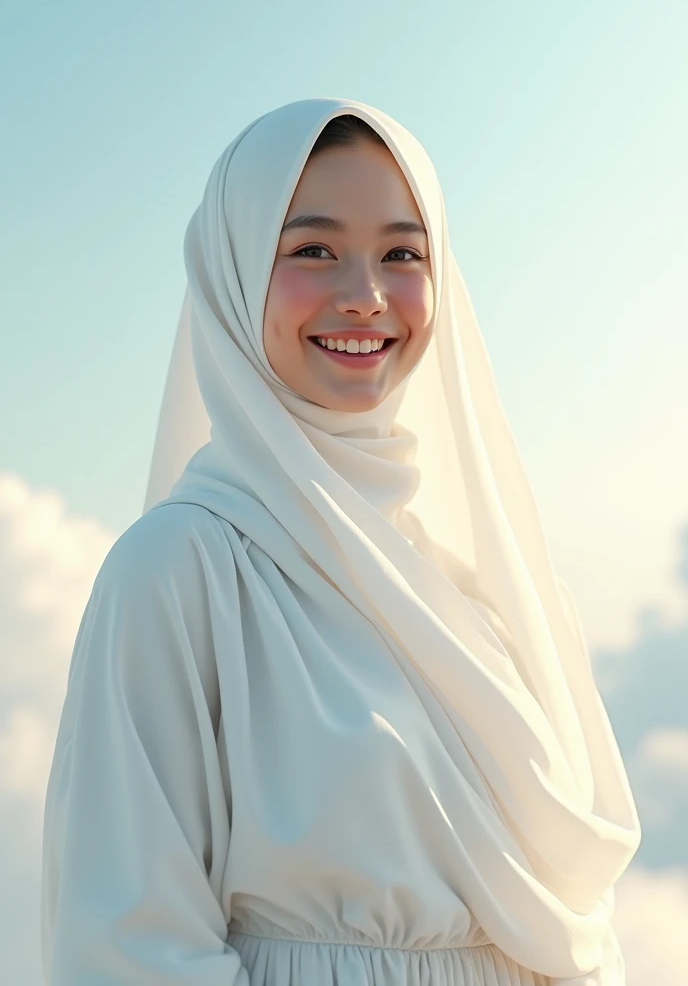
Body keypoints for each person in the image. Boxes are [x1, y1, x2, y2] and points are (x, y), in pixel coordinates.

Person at [40, 98, 641, 986]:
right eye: (312, 249)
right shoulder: (178, 572)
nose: (365, 295)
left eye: (403, 253)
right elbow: (127, 952)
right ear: (235, 275)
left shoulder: (473, 589)